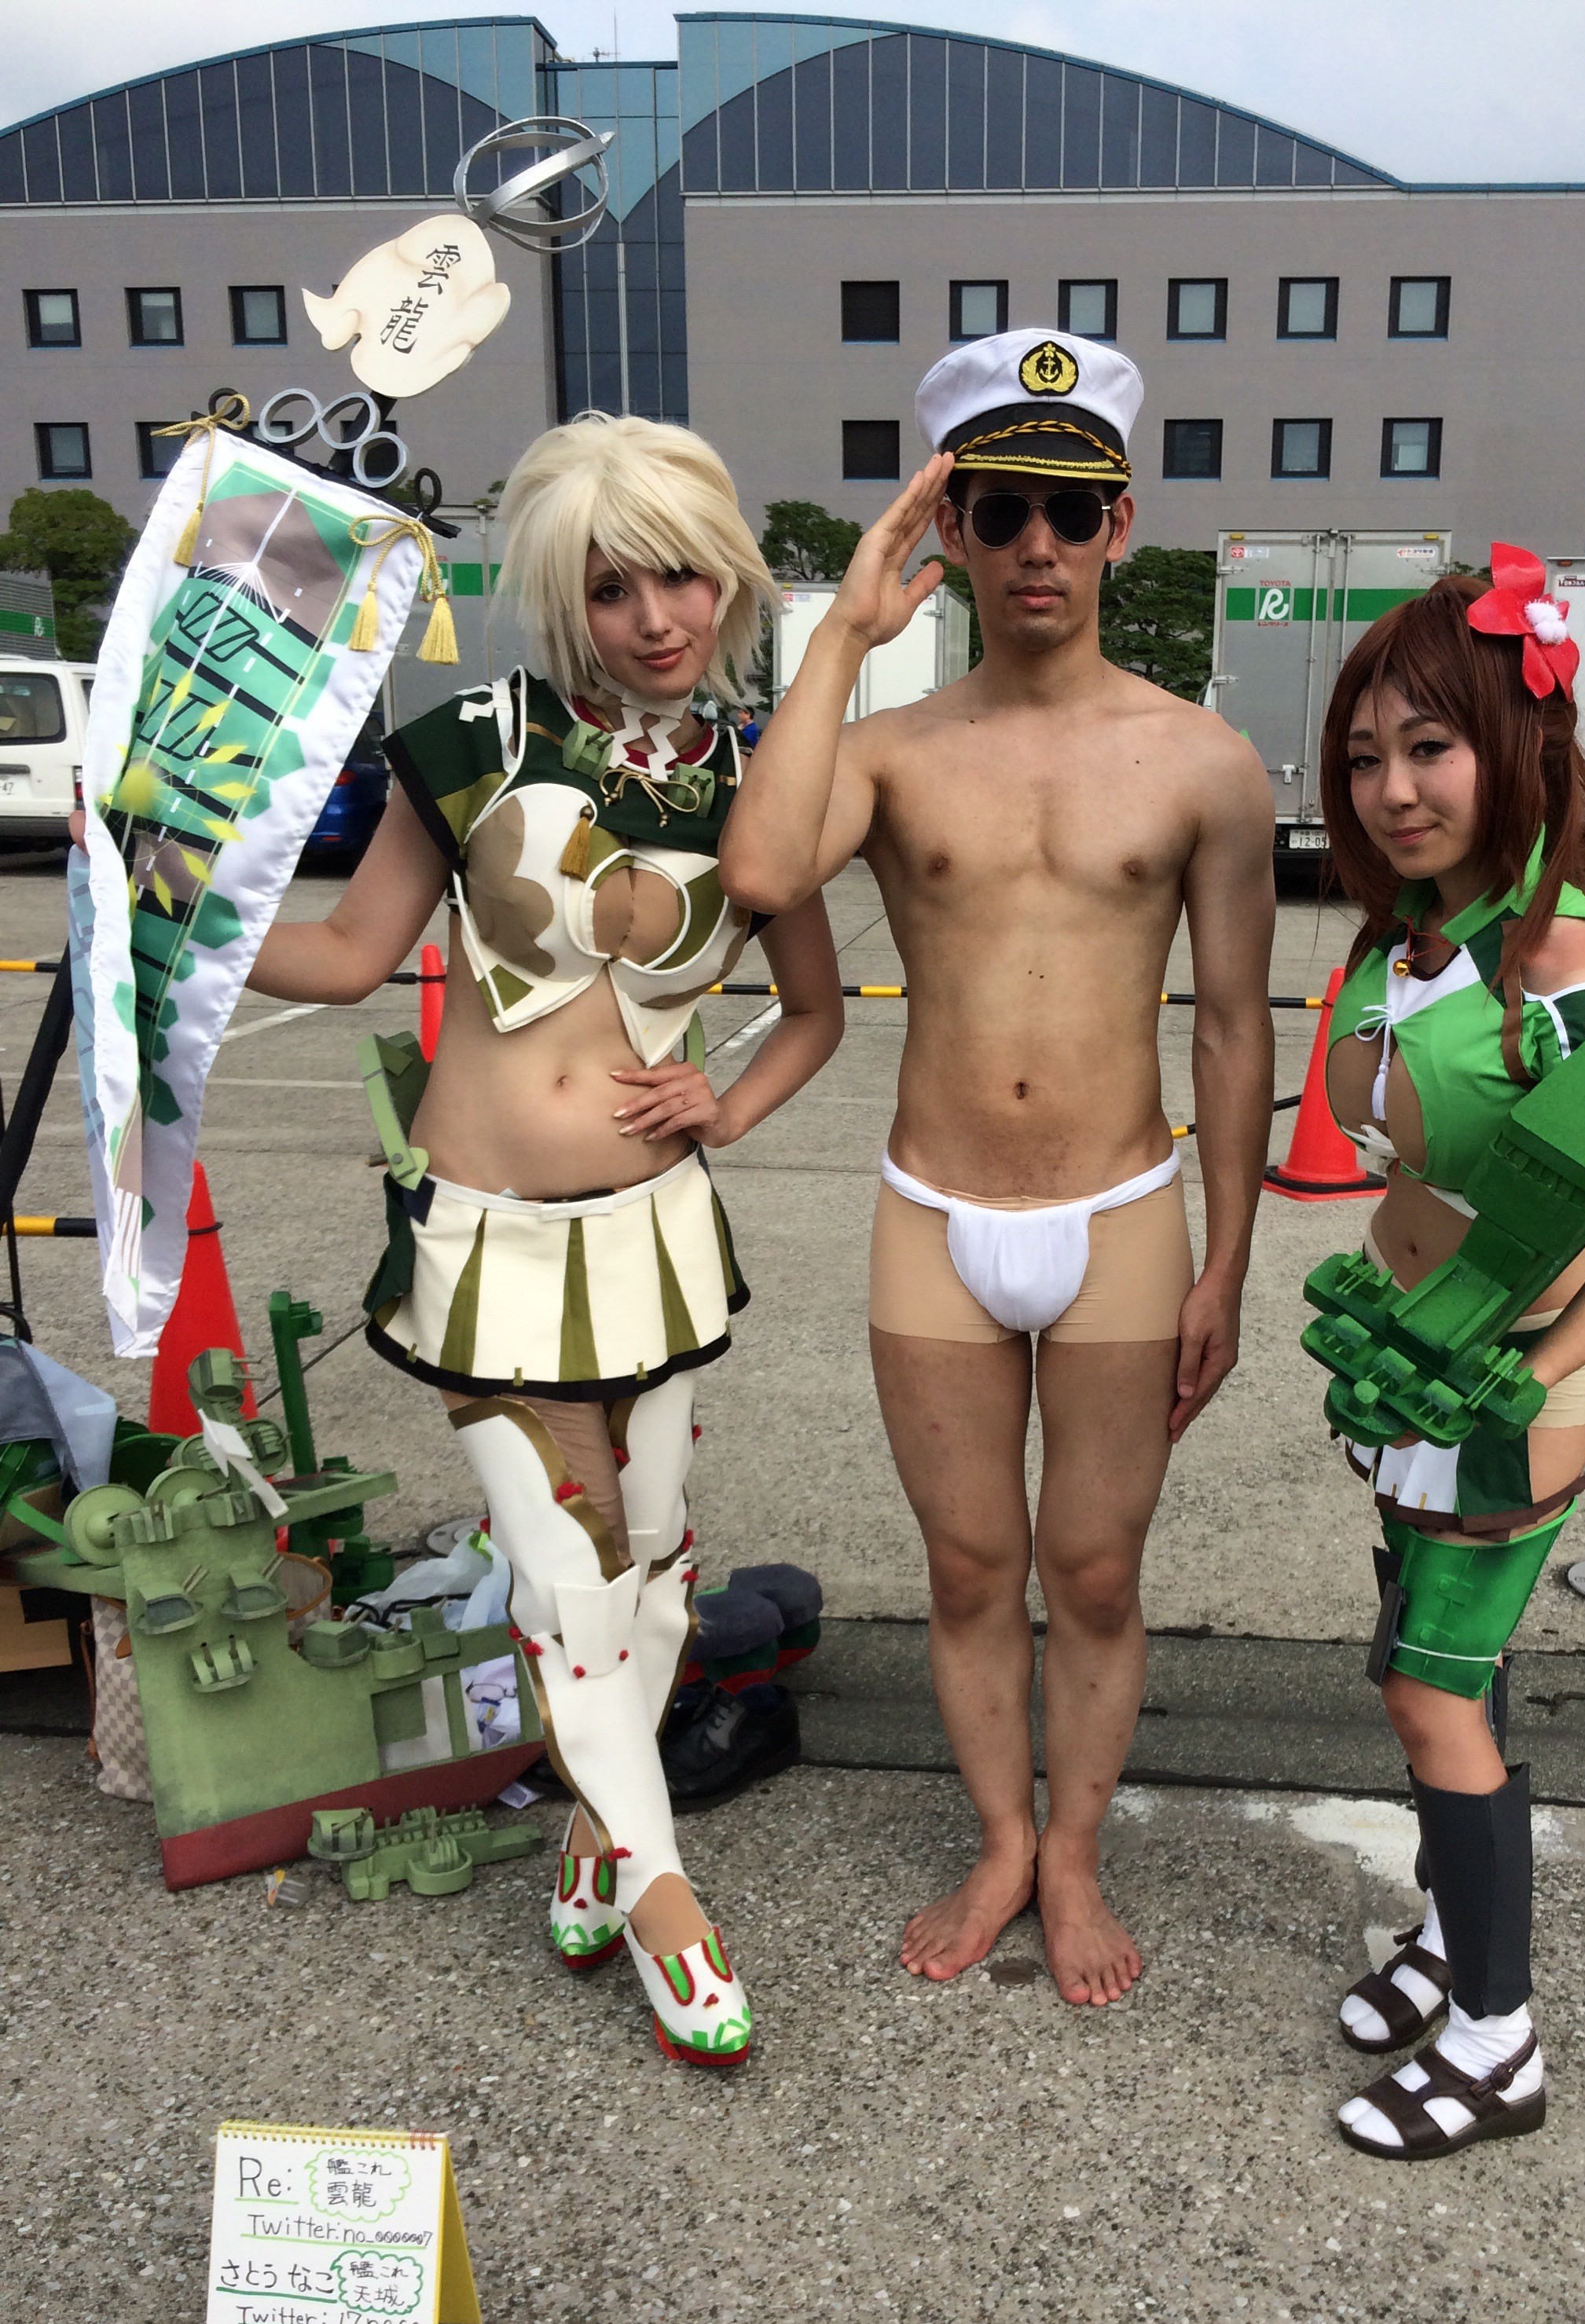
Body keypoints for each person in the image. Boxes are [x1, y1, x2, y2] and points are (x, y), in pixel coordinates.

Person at [245, 413, 844, 2067]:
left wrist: (729, 1102)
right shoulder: (466, 743)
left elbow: (815, 1010)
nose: (655, 617)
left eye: (683, 577)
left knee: (653, 1574)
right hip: (487, 1241)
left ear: (729, 580)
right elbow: (351, 955)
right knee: (570, 1578)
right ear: (561, 593)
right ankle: (664, 1896)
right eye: (611, 585)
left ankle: (592, 1834)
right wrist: (179, 918)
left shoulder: (759, 779)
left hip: (655, 1232)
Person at [717, 329, 1275, 2007]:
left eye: (1073, 510)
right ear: (951, 530)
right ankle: (1001, 1840)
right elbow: (760, 873)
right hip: (934, 1211)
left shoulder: (1203, 761)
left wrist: (1228, 1260)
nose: (1040, 544)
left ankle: (1078, 1854)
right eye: (1002, 510)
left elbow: (1234, 1026)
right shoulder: (890, 750)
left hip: (1121, 1213)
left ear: (1122, 526)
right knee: (969, 1567)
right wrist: (841, 632)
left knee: (1094, 1570)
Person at [1312, 548, 1585, 2155]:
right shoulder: (1407, 937)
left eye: (1430, 747)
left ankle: (1497, 2041)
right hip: (1414, 1366)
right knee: (1432, 1668)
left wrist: (1522, 1385)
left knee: (1428, 1695)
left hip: (1505, 1390)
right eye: (1365, 757)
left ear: (1515, 745)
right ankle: (1454, 1937)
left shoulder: (1565, 964)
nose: (1393, 789)